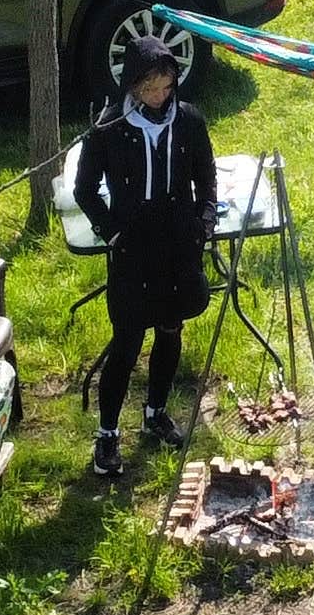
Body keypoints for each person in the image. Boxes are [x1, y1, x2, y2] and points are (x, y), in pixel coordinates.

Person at [74, 37, 220, 480]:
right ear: (133, 85)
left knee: (170, 330)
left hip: (177, 246)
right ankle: (107, 435)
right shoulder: (109, 127)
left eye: (166, 86)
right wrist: (112, 231)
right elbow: (85, 190)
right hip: (133, 249)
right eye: (150, 88)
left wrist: (203, 226)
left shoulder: (189, 120)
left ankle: (155, 413)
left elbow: (207, 180)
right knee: (127, 342)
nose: (160, 96)